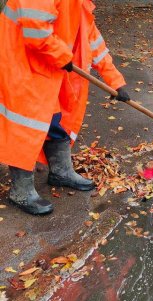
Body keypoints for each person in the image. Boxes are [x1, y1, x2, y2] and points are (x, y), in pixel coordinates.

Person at [0, 0, 130, 215]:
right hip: (19, 65)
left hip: (45, 66)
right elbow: (35, 31)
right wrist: (63, 56)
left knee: (54, 121)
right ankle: (20, 191)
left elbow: (91, 38)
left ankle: (60, 172)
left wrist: (115, 81)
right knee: (25, 127)